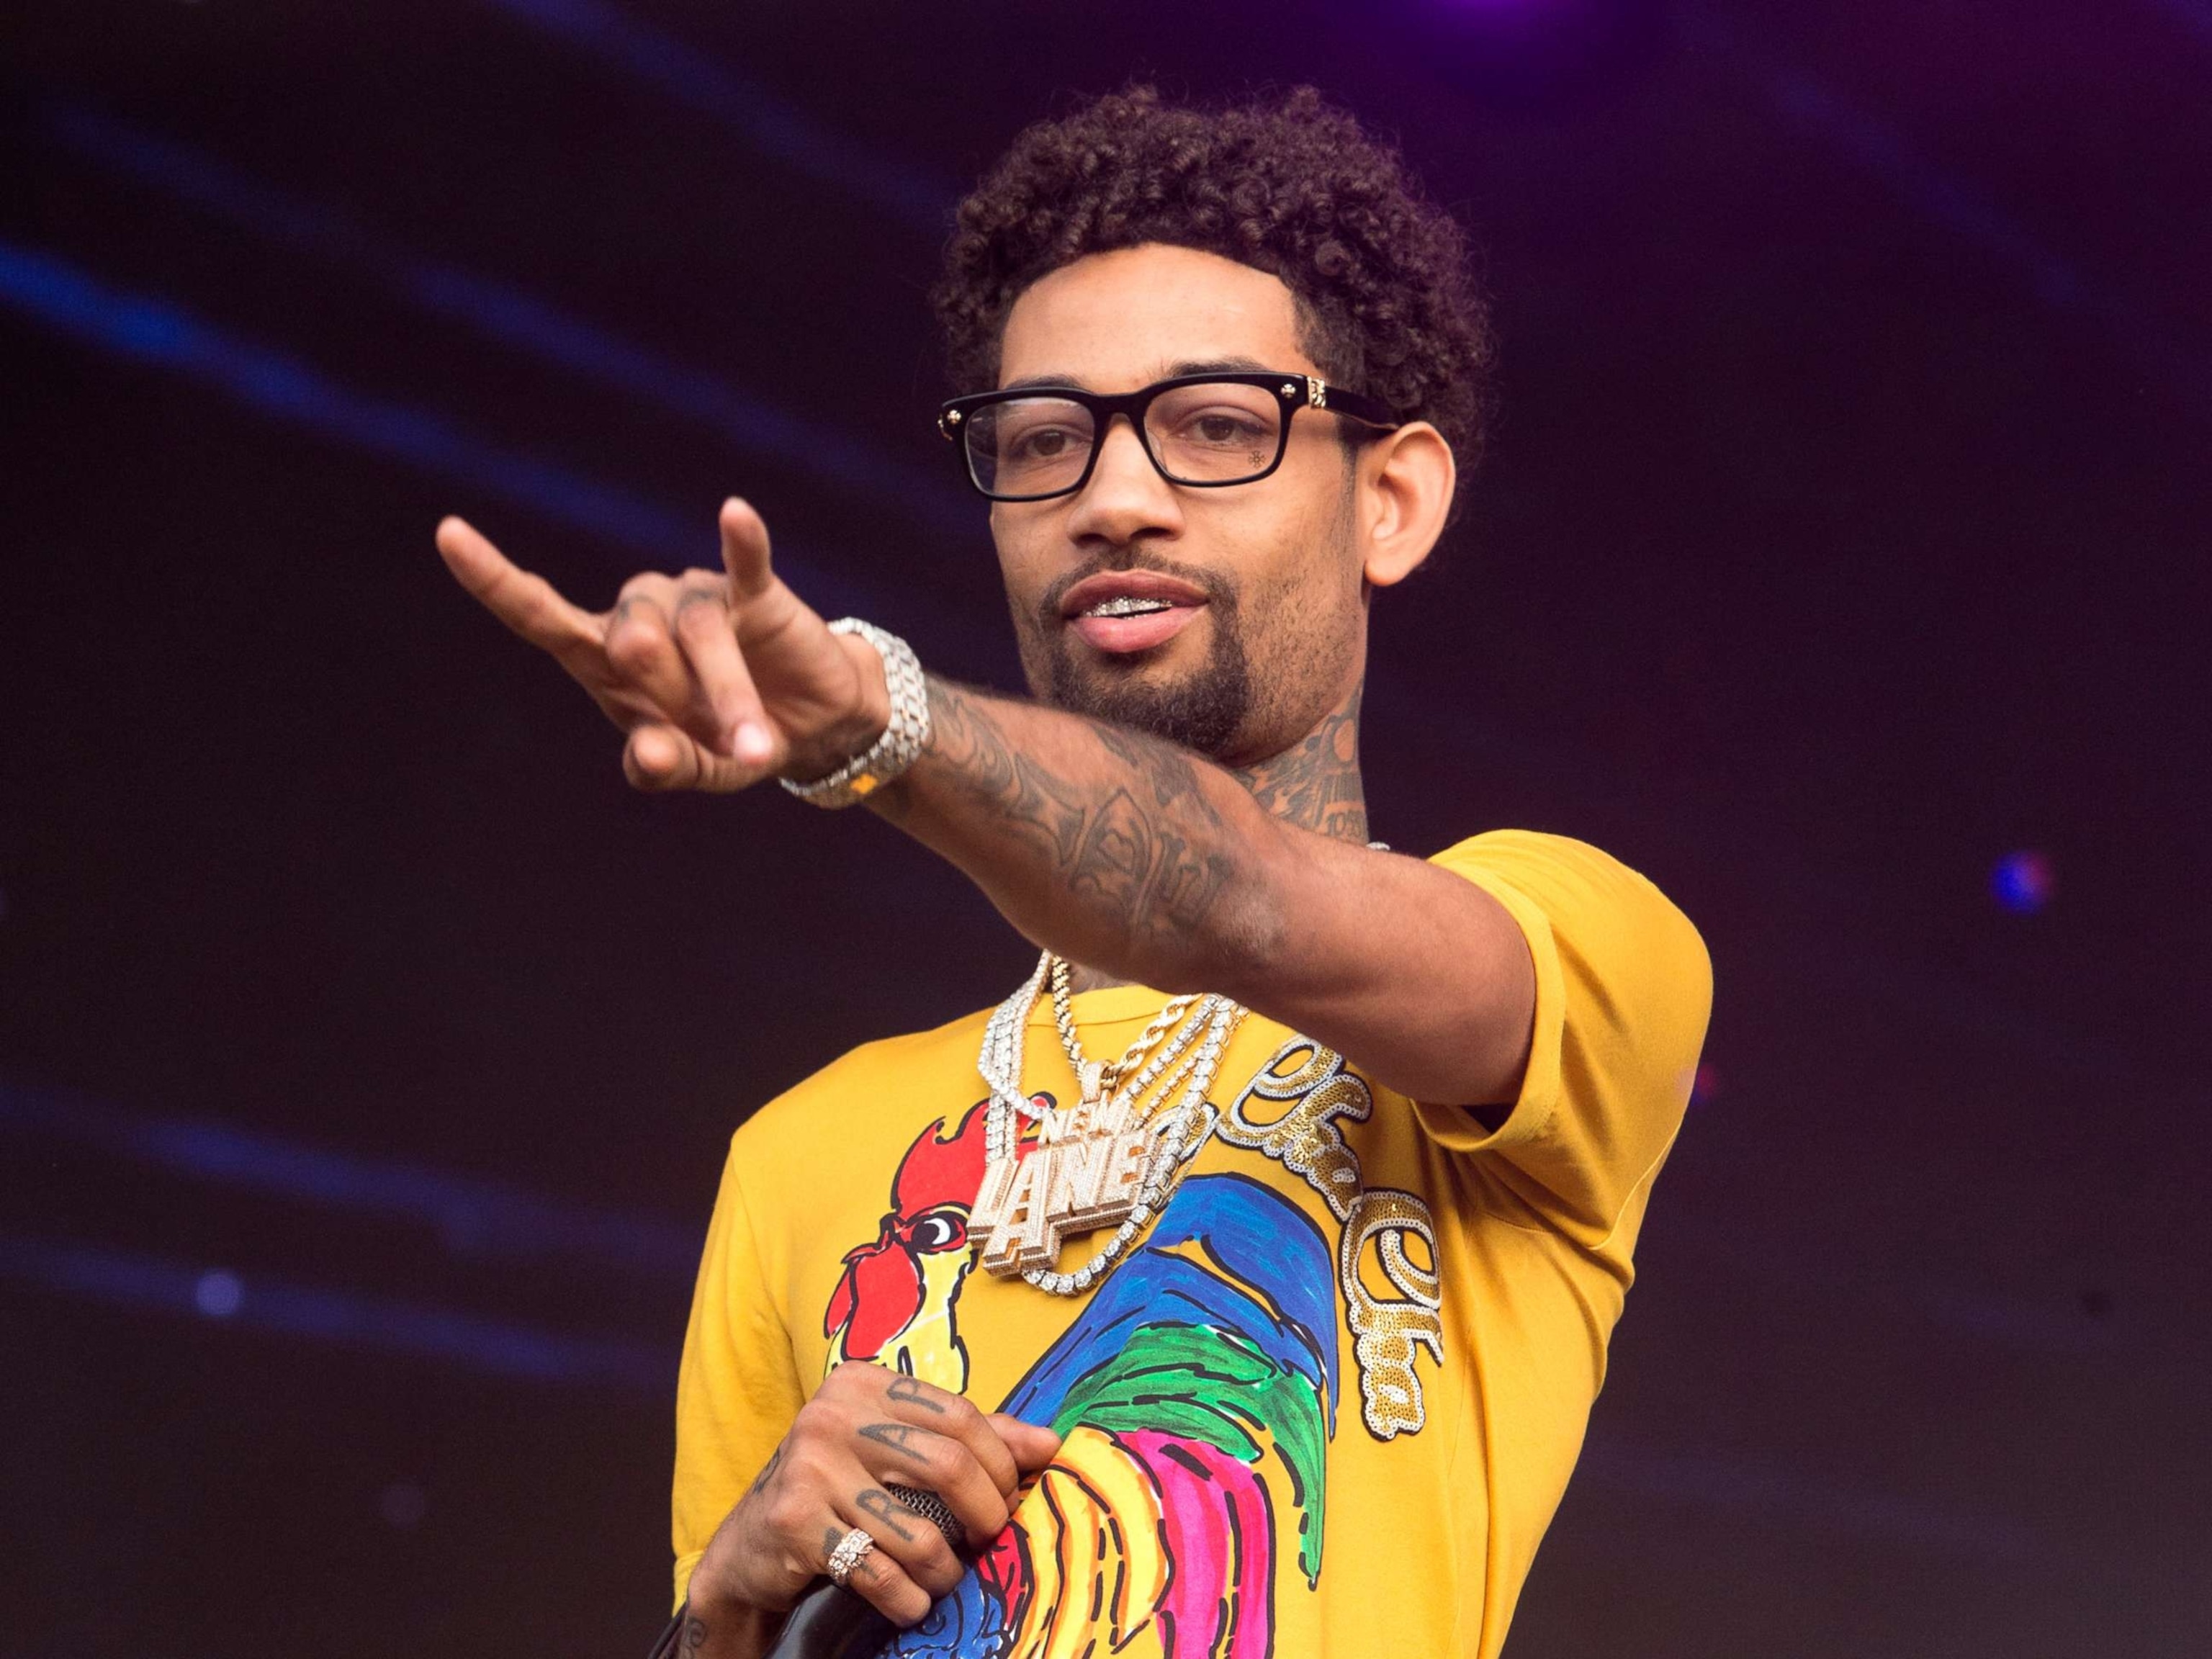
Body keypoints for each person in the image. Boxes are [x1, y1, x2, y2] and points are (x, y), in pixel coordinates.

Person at [436, 85, 1711, 1659]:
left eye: (1219, 425)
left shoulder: (1576, 954)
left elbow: (1236, 894)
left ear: (1392, 499)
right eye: (1045, 439)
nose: (1112, 497)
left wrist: (873, 717)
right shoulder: (799, 1150)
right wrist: (726, 1614)